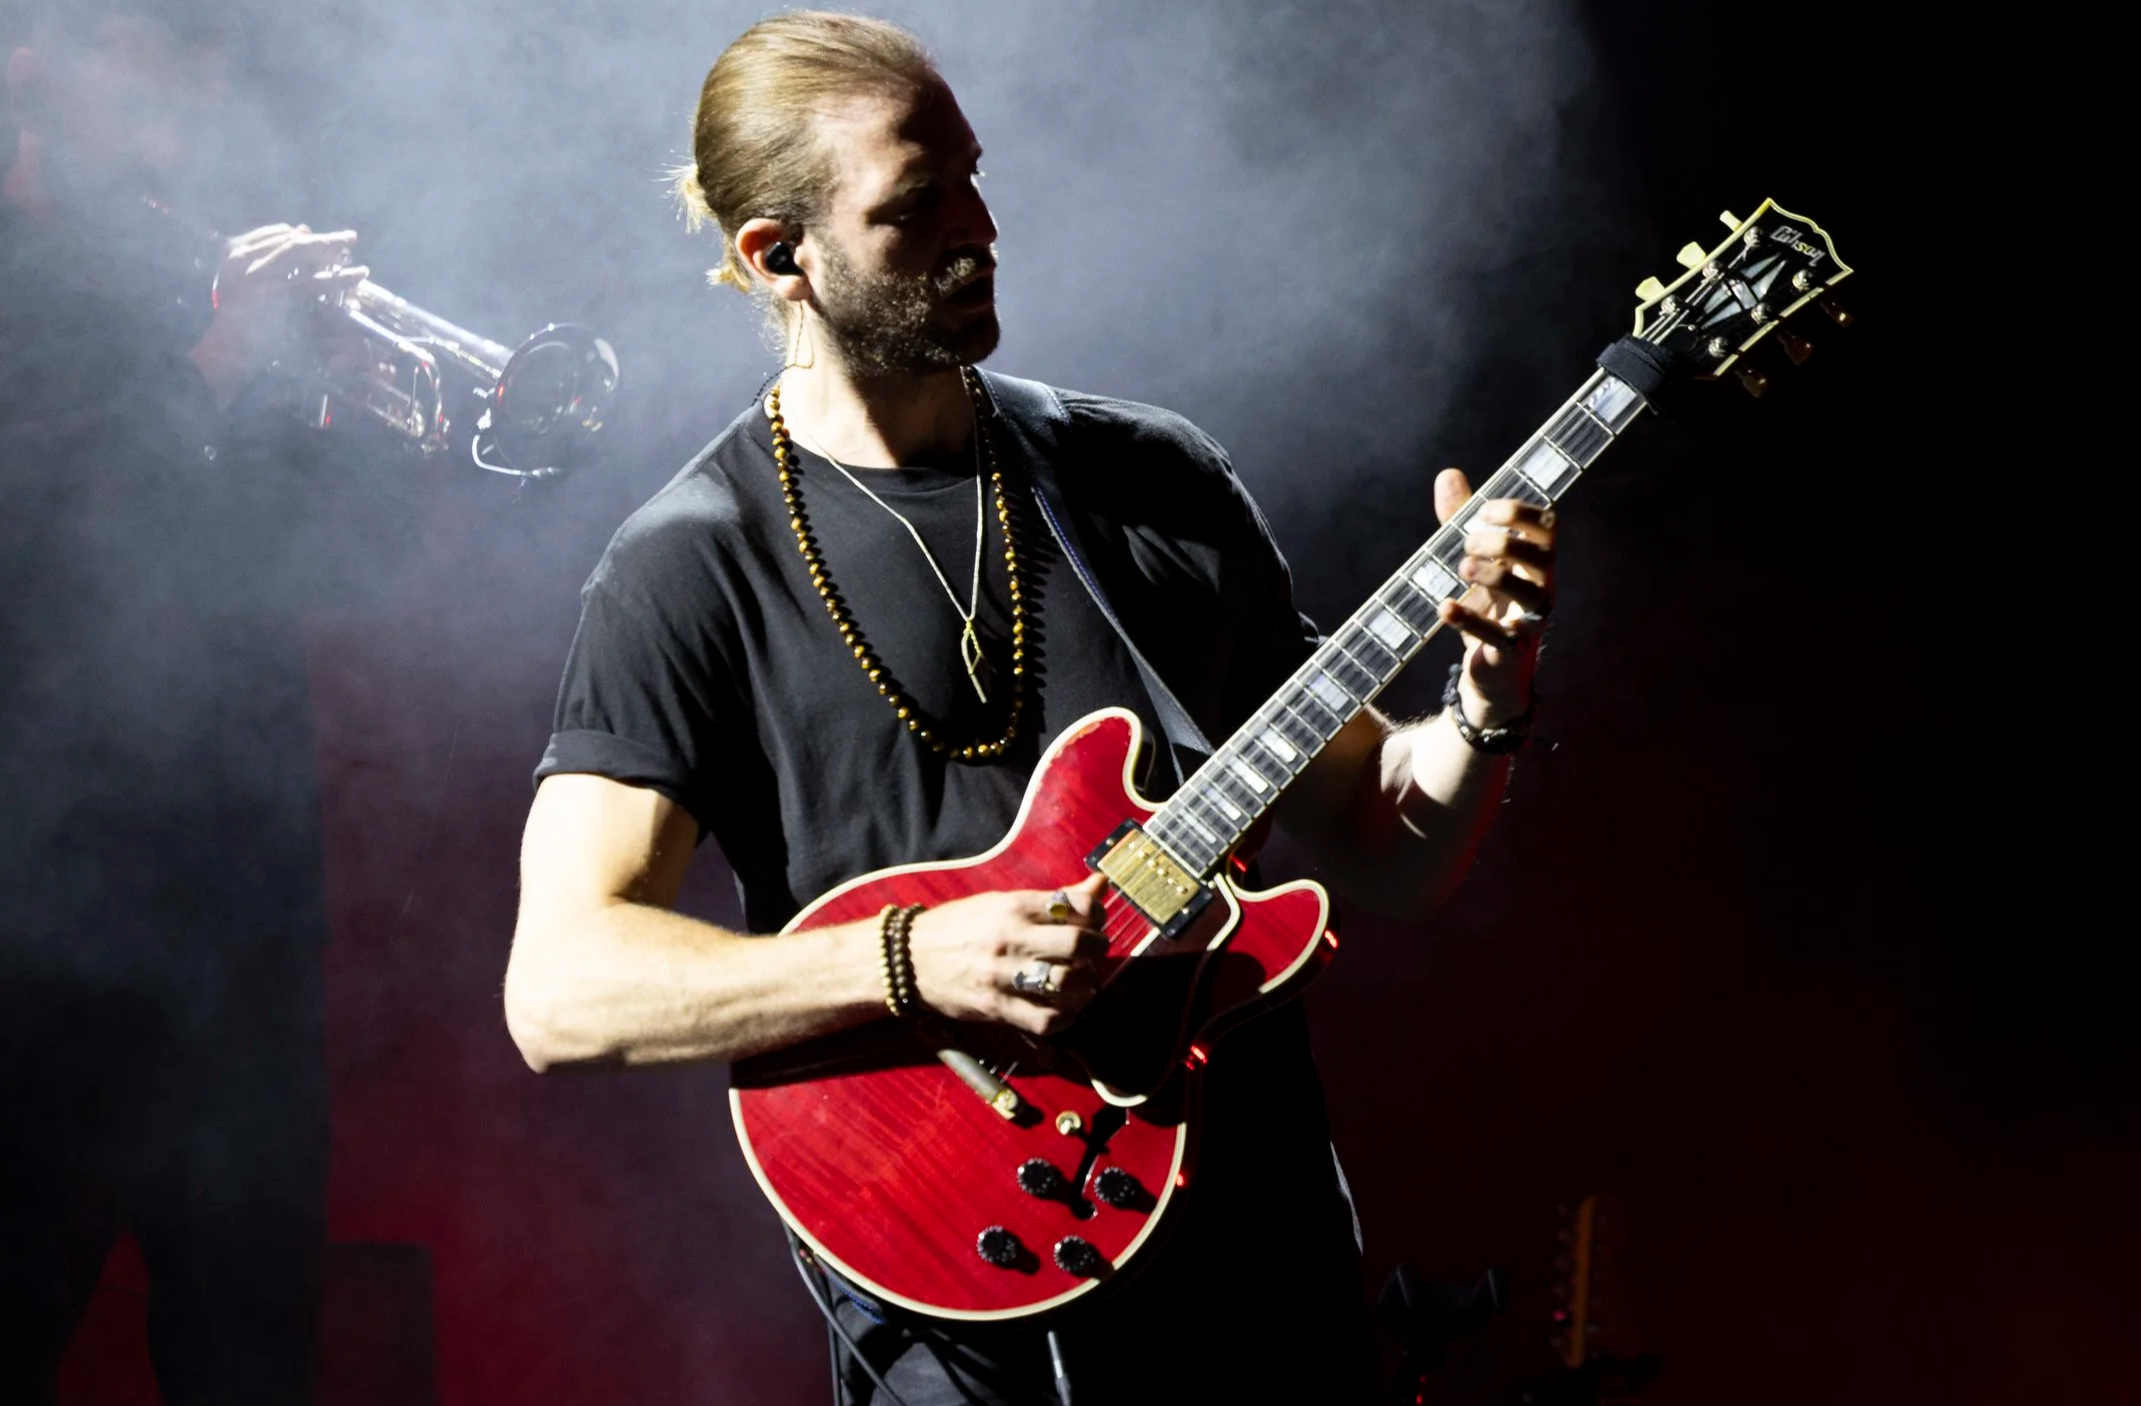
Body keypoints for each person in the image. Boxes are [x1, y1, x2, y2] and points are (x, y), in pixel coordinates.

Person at [502, 12, 1559, 1404]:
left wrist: (1484, 695)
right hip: (965, 1296)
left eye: (975, 175)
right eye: (914, 203)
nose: (978, 226)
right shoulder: (691, 562)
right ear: (779, 256)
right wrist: (909, 962)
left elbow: (1385, 843)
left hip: (1260, 1260)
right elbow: (563, 989)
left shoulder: (1153, 481)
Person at [0, 3, 370, 1401]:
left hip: (239, 924)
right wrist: (221, 367)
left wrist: (321, 397)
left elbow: (338, 572)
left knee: (255, 1349)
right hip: (38, 938)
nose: (178, 117)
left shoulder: (174, 274)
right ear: (37, 67)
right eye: (147, 70)